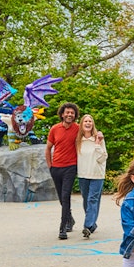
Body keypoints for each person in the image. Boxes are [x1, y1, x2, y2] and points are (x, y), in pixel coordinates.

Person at [45, 102, 80, 240]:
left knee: (66, 196)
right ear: (62, 114)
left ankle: (62, 228)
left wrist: (99, 135)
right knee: (61, 197)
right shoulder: (54, 129)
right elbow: (48, 148)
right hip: (56, 168)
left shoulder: (78, 128)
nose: (70, 115)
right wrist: (50, 166)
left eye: (72, 113)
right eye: (67, 112)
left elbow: (91, 132)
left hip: (70, 167)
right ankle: (70, 219)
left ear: (75, 115)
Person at [75, 114, 107, 239]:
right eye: (85, 121)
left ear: (93, 124)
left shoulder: (98, 138)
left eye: (90, 121)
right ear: (82, 124)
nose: (88, 123)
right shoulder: (78, 140)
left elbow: (103, 157)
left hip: (97, 174)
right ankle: (92, 224)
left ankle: (87, 226)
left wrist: (98, 145)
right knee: (87, 200)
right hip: (83, 174)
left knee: (92, 200)